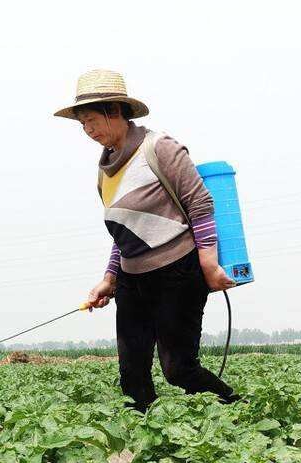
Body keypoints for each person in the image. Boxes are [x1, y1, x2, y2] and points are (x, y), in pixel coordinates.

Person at [56, 69, 239, 412]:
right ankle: (148, 449)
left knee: (178, 368)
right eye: (82, 124)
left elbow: (200, 205)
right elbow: (122, 229)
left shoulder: (160, 148)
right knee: (132, 377)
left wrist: (208, 264)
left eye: (92, 120)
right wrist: (110, 277)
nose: (88, 130)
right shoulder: (106, 168)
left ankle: (237, 408)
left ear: (116, 112)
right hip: (131, 278)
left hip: (177, 271)